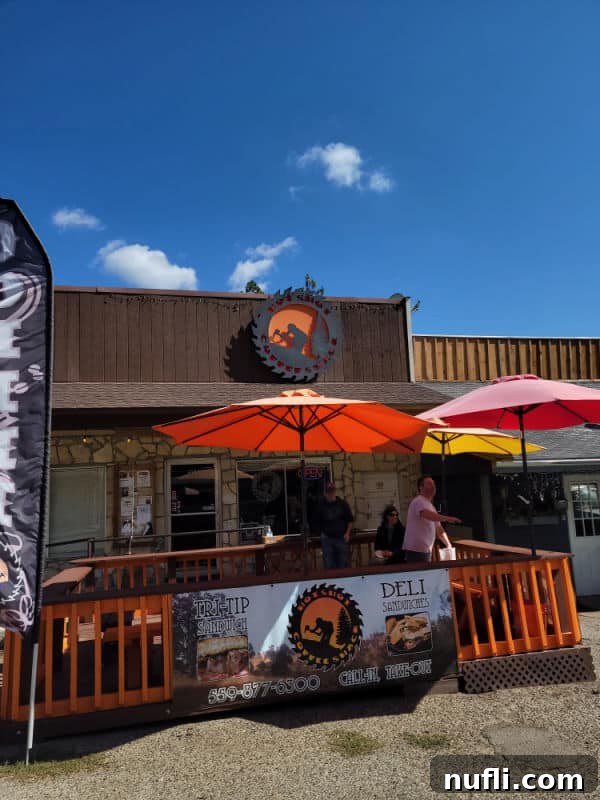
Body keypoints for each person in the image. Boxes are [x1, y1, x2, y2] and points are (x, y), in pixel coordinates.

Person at [403, 475, 461, 562]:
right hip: (416, 550)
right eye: (429, 483)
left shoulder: (430, 505)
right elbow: (428, 515)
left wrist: (448, 544)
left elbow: (439, 528)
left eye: (433, 483)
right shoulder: (419, 501)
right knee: (421, 575)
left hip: (424, 550)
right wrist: (447, 518)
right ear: (421, 487)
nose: (433, 486)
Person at [312, 482, 354, 569]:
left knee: (342, 563)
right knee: (329, 564)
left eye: (332, 491)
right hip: (327, 539)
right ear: (325, 493)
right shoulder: (320, 505)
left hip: (341, 538)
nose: (330, 494)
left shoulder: (342, 504)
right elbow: (316, 521)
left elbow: (350, 520)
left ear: (335, 492)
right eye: (328, 492)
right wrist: (320, 533)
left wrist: (347, 533)